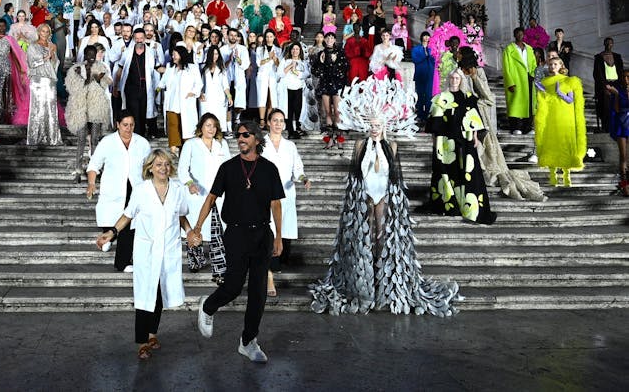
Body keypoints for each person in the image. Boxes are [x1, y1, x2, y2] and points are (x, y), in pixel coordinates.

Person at [310, 117, 460, 316]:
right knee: (364, 239)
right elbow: (354, 174)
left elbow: (395, 176)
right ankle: (364, 285)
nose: (374, 129)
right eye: (371, 126)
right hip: (364, 196)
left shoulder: (392, 146)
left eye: (378, 125)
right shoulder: (359, 145)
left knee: (381, 237)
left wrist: (392, 201)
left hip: (383, 196)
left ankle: (382, 285)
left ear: (384, 127)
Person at [191, 121, 285, 364]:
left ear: (256, 138)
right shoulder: (228, 168)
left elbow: (276, 204)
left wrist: (278, 236)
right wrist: (198, 227)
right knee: (232, 287)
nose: (240, 138)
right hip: (235, 234)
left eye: (246, 135)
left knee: (258, 293)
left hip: (262, 235)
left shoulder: (269, 169)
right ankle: (208, 306)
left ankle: (248, 341)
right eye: (238, 135)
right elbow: (211, 198)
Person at [95, 149, 193, 360]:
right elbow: (127, 215)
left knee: (158, 294)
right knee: (145, 295)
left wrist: (191, 231)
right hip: (146, 250)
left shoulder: (177, 189)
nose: (163, 168)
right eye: (158, 164)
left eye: (166, 164)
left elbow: (181, 216)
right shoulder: (141, 190)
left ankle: (152, 334)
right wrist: (111, 234)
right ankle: (141, 342)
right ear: (150, 168)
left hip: (168, 249)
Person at [458, 47, 544, 202]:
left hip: (478, 114)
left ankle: (480, 170)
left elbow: (488, 97)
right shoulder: (456, 72)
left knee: (483, 146)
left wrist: (475, 78)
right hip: (461, 115)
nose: (456, 55)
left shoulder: (478, 72)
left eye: (459, 53)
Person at [426, 70, 496, 224]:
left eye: (457, 78)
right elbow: (434, 124)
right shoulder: (440, 98)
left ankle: (469, 206)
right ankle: (449, 204)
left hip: (465, 139)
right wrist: (434, 142)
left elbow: (474, 118)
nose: (454, 80)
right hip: (445, 141)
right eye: (452, 77)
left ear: (461, 80)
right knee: (446, 170)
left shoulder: (468, 98)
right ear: (448, 79)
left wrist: (476, 137)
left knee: (468, 171)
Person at [86, 111, 152, 272]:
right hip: (113, 188)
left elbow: (149, 167)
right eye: (125, 125)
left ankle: (122, 262)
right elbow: (94, 165)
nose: (128, 128)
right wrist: (91, 183)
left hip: (135, 189)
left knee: (129, 226)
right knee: (112, 219)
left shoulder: (142, 143)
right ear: (117, 125)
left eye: (131, 125)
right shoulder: (107, 142)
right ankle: (108, 236)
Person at [177, 113, 231, 283]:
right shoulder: (191, 144)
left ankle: (219, 268)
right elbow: (182, 169)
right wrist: (189, 183)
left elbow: (229, 167)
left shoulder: (222, 144)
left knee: (218, 231)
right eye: (208, 125)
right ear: (201, 127)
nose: (211, 129)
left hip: (218, 194)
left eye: (214, 126)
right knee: (196, 228)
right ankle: (195, 260)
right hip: (198, 193)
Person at [261, 109, 309, 298]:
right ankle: (269, 269)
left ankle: (278, 260)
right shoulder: (261, 144)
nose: (279, 124)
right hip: (266, 193)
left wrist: (303, 178)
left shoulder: (290, 146)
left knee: (284, 227)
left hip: (286, 191)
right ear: (269, 122)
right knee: (269, 227)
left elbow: (297, 167)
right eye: (275, 120)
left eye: (282, 121)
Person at [535, 55, 586, 188]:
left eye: (555, 64)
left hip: (565, 116)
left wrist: (560, 93)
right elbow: (544, 102)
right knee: (552, 143)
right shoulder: (545, 81)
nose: (552, 67)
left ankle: (566, 175)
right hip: (551, 116)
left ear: (561, 66)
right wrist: (542, 92)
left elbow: (570, 100)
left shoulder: (568, 81)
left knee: (565, 143)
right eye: (551, 65)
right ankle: (553, 175)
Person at [66, 44, 112, 180]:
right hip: (80, 109)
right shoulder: (75, 69)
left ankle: (95, 169)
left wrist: (97, 79)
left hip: (96, 108)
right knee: (81, 139)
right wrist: (85, 79)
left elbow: (105, 83)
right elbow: (71, 87)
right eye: (89, 54)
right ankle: (78, 170)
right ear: (85, 55)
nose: (91, 57)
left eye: (93, 54)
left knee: (95, 140)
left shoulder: (101, 67)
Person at [156, 45, 201, 155]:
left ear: (181, 55)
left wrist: (193, 92)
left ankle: (186, 152)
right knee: (173, 127)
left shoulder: (192, 68)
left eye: (175, 54)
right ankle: (175, 150)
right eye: (172, 54)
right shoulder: (170, 68)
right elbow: (163, 82)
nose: (173, 56)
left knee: (186, 129)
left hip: (186, 103)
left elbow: (199, 83)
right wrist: (157, 89)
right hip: (172, 104)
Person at [26, 23, 62, 146]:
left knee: (50, 107)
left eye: (47, 32)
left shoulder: (52, 46)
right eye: (43, 31)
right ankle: (35, 136)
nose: (45, 34)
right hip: (37, 80)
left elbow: (56, 63)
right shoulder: (33, 46)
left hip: (49, 79)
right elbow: (31, 63)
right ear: (38, 32)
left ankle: (51, 136)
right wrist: (47, 56)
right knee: (37, 107)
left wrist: (52, 57)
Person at [313, 31, 349, 140]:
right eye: (327, 38)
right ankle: (329, 134)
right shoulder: (321, 54)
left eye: (331, 38)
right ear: (324, 40)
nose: (329, 40)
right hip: (324, 84)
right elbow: (315, 71)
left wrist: (335, 62)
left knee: (337, 111)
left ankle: (338, 132)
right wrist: (321, 62)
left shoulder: (340, 53)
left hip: (336, 84)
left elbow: (346, 68)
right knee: (327, 111)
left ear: (334, 40)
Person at [503, 28, 535, 135]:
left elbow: (533, 64)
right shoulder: (509, 49)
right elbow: (506, 67)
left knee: (529, 104)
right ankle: (515, 127)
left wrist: (534, 75)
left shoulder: (529, 49)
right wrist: (510, 82)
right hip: (516, 79)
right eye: (518, 34)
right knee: (515, 104)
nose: (520, 35)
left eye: (522, 34)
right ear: (514, 35)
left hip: (528, 78)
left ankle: (528, 127)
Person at [277, 42, 309, 138]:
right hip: (287, 88)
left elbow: (306, 74)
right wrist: (290, 66)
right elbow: (280, 73)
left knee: (298, 109)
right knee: (289, 109)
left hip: (298, 88)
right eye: (293, 49)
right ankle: (290, 130)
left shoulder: (303, 62)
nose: (295, 51)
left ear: (300, 51)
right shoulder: (285, 60)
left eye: (297, 49)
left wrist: (297, 72)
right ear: (290, 51)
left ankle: (298, 128)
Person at [605, 69, 629, 196]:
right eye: (624, 77)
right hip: (622, 123)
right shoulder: (618, 91)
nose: (626, 79)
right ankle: (625, 185)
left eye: (628, 77)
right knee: (623, 156)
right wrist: (617, 95)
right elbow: (616, 109)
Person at [593, 38, 624, 133]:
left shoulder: (617, 57)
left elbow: (621, 72)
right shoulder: (599, 57)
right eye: (607, 43)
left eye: (611, 43)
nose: (609, 45)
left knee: (618, 105)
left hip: (617, 84)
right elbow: (597, 74)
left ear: (613, 44)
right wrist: (605, 85)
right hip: (604, 84)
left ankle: (617, 126)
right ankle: (606, 127)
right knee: (605, 106)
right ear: (604, 44)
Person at [200, 45, 233, 134]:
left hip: (219, 98)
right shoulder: (204, 68)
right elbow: (200, 84)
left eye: (217, 54)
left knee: (218, 122)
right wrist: (200, 93)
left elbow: (225, 85)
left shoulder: (222, 69)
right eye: (213, 54)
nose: (215, 56)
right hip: (207, 98)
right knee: (207, 120)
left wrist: (229, 96)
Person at [254, 29, 281, 128]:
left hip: (273, 76)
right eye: (267, 37)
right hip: (262, 75)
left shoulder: (278, 50)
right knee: (262, 97)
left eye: (271, 36)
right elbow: (258, 63)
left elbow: (279, 65)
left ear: (274, 37)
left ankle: (269, 119)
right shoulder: (260, 49)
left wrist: (275, 59)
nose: (269, 39)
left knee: (272, 98)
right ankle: (262, 120)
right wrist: (269, 58)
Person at [411, 32, 436, 122]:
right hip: (420, 74)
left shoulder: (432, 48)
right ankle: (420, 114)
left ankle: (427, 115)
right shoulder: (416, 49)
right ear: (421, 37)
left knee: (429, 95)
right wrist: (425, 56)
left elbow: (435, 60)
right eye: (424, 36)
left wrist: (430, 55)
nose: (426, 37)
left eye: (428, 36)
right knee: (420, 95)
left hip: (430, 75)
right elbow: (415, 59)